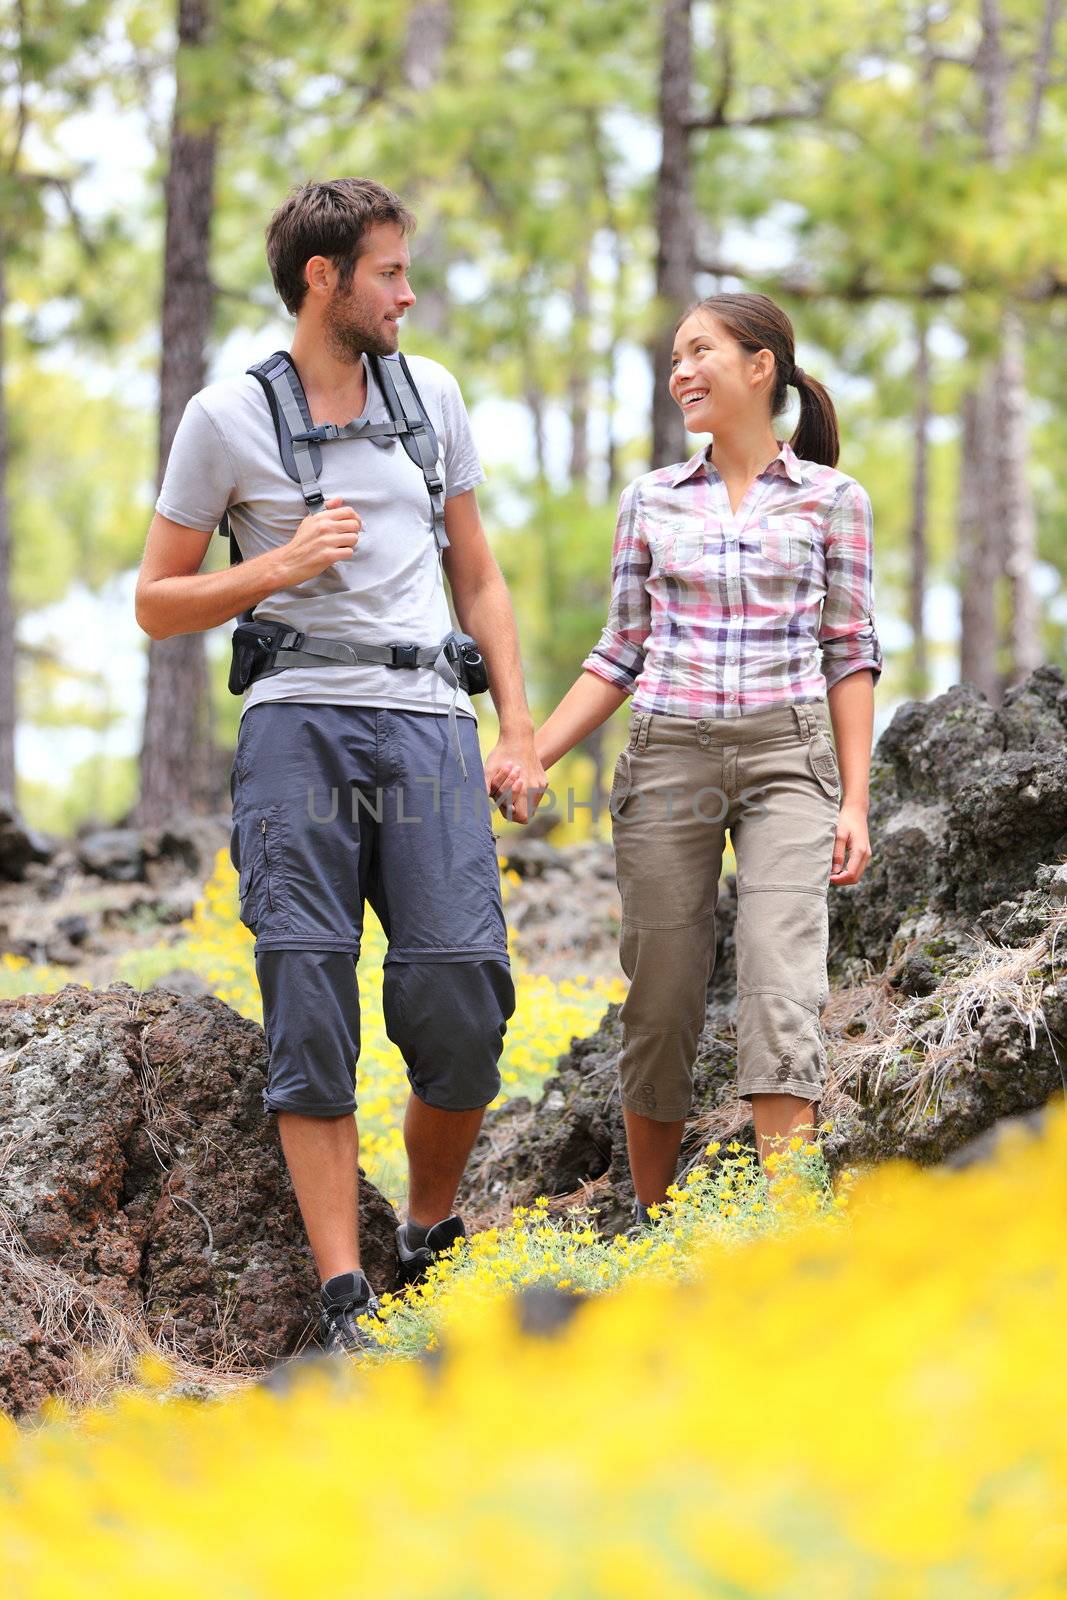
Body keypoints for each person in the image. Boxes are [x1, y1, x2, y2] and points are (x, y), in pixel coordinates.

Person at [135, 177, 546, 1352]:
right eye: (388, 273)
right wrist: (273, 566)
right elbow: (156, 602)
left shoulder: (434, 398)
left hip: (427, 722)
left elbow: (479, 573)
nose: (406, 294)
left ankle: (421, 1234)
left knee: (462, 991)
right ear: (324, 280)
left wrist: (514, 728)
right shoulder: (224, 418)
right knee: (308, 992)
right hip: (296, 725)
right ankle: (343, 1293)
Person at [528, 291, 882, 1227]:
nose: (681, 371)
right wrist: (527, 751)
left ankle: (788, 1239)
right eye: (674, 357)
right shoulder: (648, 499)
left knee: (780, 985)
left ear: (759, 364)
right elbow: (618, 652)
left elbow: (849, 651)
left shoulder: (833, 501)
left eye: (700, 351)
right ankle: (652, 1228)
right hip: (667, 758)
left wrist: (854, 800)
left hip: (786, 763)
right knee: (661, 996)